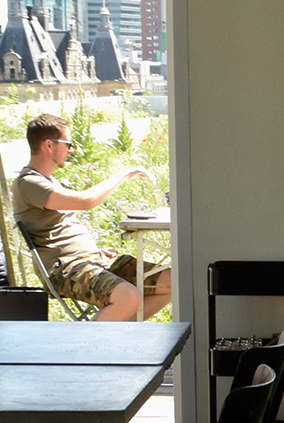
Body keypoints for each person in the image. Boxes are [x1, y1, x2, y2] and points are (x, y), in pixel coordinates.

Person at [11, 112, 169, 321]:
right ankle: (90, 342)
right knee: (128, 297)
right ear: (48, 145)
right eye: (67, 144)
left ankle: (118, 332)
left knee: (172, 281)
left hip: (93, 261)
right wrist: (124, 174)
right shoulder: (29, 183)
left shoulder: (48, 181)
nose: (71, 150)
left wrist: (93, 251)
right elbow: (86, 201)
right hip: (65, 268)